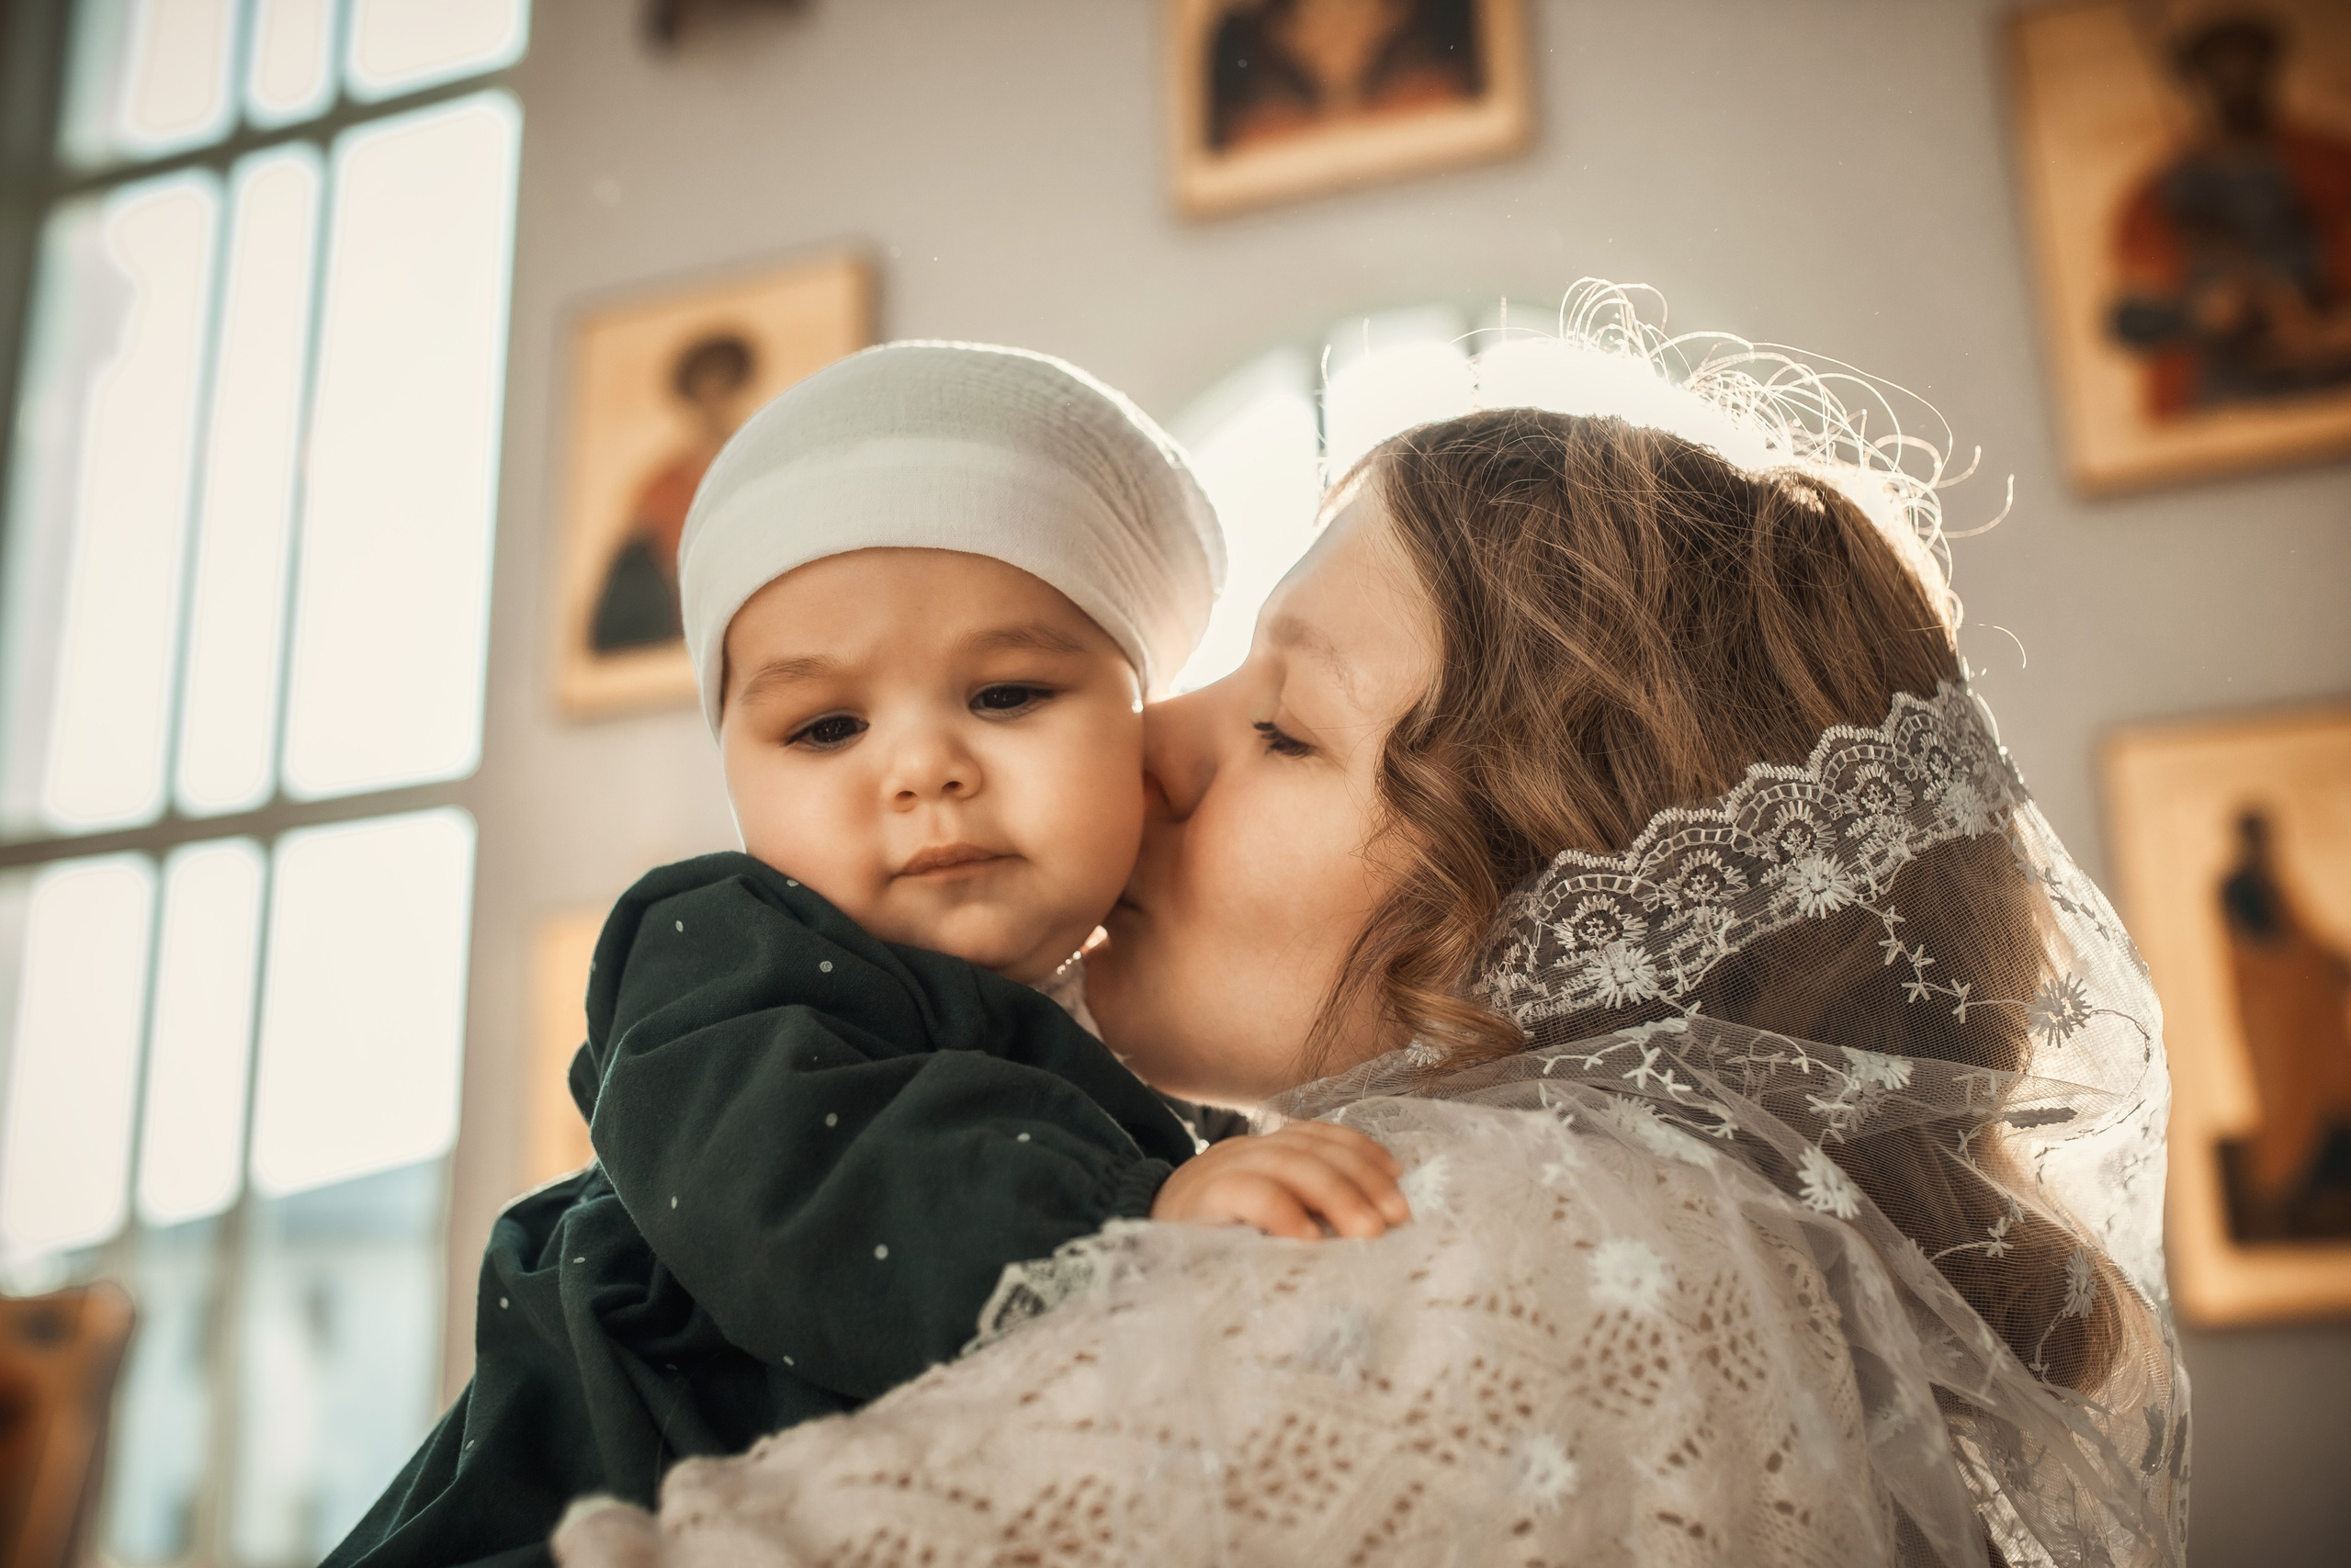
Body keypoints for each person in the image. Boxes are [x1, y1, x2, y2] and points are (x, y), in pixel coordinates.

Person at [555, 315, 2187, 1567]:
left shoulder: (1528, 1242)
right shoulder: (1688, 1246)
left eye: (1282, 727)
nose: (1152, 745)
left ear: (1544, 896)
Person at [328, 343, 1409, 1568]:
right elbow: (799, 1174)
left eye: (1006, 694)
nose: (923, 767)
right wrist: (1127, 1213)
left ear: (1138, 729)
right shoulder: (717, 953)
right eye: (827, 725)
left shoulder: (1159, 1030)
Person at [2109, 16, 2351, 417]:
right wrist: (2197, 314)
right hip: (2223, 392)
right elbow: (2128, 317)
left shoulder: (2329, 161)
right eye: (2220, 76)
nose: (2235, 87)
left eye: (2247, 71)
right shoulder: (2161, 190)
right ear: (2198, 83)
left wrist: (2329, 332)